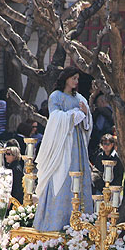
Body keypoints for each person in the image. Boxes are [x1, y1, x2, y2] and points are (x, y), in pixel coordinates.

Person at [33, 67, 93, 232]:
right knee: (60, 176)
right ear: (66, 78)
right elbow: (54, 118)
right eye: (73, 78)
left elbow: (87, 122)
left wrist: (85, 114)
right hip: (62, 143)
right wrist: (73, 115)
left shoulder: (80, 98)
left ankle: (81, 223)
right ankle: (55, 223)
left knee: (78, 176)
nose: (76, 81)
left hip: (77, 144)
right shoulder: (56, 96)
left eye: (77, 79)